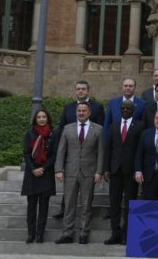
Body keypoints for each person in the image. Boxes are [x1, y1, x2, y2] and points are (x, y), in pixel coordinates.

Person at [53, 80, 104, 220]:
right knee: (69, 192)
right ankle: (64, 211)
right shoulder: (68, 107)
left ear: (88, 91)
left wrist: (98, 167)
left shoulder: (97, 107)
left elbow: (100, 132)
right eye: (78, 89)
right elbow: (61, 129)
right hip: (71, 156)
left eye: (83, 89)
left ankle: (85, 220)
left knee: (87, 196)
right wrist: (59, 157)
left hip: (89, 157)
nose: (80, 91)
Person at [54, 102, 104, 244]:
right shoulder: (67, 128)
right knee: (69, 204)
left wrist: (99, 171)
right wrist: (59, 169)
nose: (81, 113)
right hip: (71, 171)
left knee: (86, 205)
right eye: (79, 111)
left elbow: (101, 152)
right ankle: (67, 234)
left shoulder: (98, 129)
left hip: (89, 172)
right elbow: (61, 151)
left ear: (89, 113)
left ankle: (84, 233)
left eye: (84, 111)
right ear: (76, 112)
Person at [103, 100, 145, 245]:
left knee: (129, 204)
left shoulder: (140, 126)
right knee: (114, 203)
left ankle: (126, 234)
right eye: (123, 108)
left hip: (131, 171)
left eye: (128, 108)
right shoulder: (113, 126)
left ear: (133, 110)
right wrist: (106, 169)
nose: (125, 110)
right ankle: (115, 233)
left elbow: (140, 150)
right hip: (115, 170)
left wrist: (138, 169)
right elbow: (108, 149)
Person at [21, 109, 57, 244]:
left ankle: (40, 234)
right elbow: (26, 153)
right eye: (39, 117)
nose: (41, 119)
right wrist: (33, 169)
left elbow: (54, 155)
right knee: (31, 206)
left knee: (44, 207)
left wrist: (43, 168)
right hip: (32, 174)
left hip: (45, 173)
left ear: (48, 119)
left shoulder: (52, 135)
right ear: (35, 119)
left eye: (44, 117)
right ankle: (31, 233)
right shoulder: (30, 134)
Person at [104, 78, 146, 149]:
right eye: (125, 86)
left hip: (134, 144)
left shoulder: (142, 104)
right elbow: (107, 124)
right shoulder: (113, 103)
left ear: (135, 87)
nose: (128, 88)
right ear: (122, 87)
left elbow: (143, 124)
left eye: (130, 86)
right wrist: (107, 142)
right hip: (115, 143)